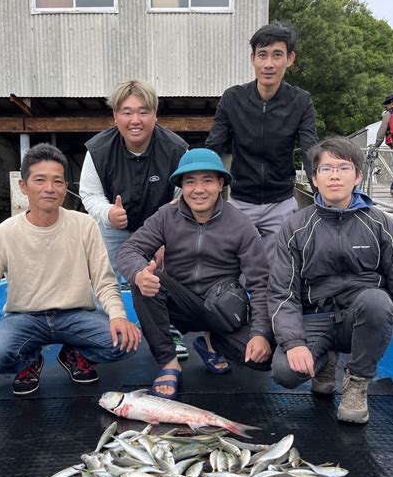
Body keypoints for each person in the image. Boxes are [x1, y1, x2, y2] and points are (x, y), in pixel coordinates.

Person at [0, 143, 141, 395]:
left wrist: (117, 315)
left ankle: (74, 354)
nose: (49, 189)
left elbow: (104, 280)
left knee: (126, 342)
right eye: (40, 180)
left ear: (65, 188)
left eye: (58, 182)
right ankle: (30, 361)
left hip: (75, 315)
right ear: (23, 186)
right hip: (25, 318)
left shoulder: (84, 225)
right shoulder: (3, 234)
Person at [267, 137, 393, 424]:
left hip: (360, 317)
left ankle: (357, 381)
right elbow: (281, 292)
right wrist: (293, 342)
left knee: (379, 302)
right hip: (315, 316)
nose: (335, 175)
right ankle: (324, 359)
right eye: (326, 169)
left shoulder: (381, 224)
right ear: (314, 178)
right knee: (284, 373)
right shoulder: (295, 226)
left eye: (343, 167)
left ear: (359, 176)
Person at [117, 148, 273, 399]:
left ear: (221, 183)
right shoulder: (166, 216)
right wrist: (137, 273)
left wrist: (259, 334)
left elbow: (261, 282)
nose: (199, 189)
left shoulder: (241, 224)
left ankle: (211, 343)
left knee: (262, 361)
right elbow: (130, 249)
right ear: (181, 186)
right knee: (145, 281)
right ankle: (168, 363)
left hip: (222, 309)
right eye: (190, 181)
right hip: (181, 303)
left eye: (207, 180)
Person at [79, 78, 189, 358]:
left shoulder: (177, 149)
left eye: (143, 111)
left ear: (155, 114)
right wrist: (108, 214)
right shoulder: (98, 150)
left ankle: (171, 329)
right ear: (115, 116)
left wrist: (170, 233)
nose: (135, 120)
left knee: (171, 273)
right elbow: (89, 194)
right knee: (102, 276)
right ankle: (106, 328)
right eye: (127, 112)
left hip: (160, 227)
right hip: (114, 227)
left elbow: (183, 195)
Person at [205, 21, 319, 265]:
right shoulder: (232, 98)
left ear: (289, 59)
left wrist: (323, 193)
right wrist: (194, 186)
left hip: (280, 202)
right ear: (252, 59)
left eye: (277, 55)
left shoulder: (301, 101)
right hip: (240, 200)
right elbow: (214, 146)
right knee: (231, 268)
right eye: (262, 55)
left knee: (276, 272)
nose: (269, 64)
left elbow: (311, 151)